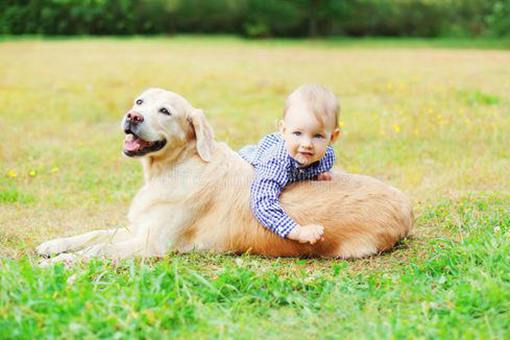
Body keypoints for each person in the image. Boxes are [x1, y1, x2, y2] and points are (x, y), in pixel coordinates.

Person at [239, 84, 341, 244]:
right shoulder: (276, 162)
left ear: (332, 137)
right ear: (283, 129)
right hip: (251, 163)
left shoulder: (326, 155)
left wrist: (318, 172)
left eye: (318, 136)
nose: (307, 143)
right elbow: (262, 203)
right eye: (297, 133)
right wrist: (296, 231)